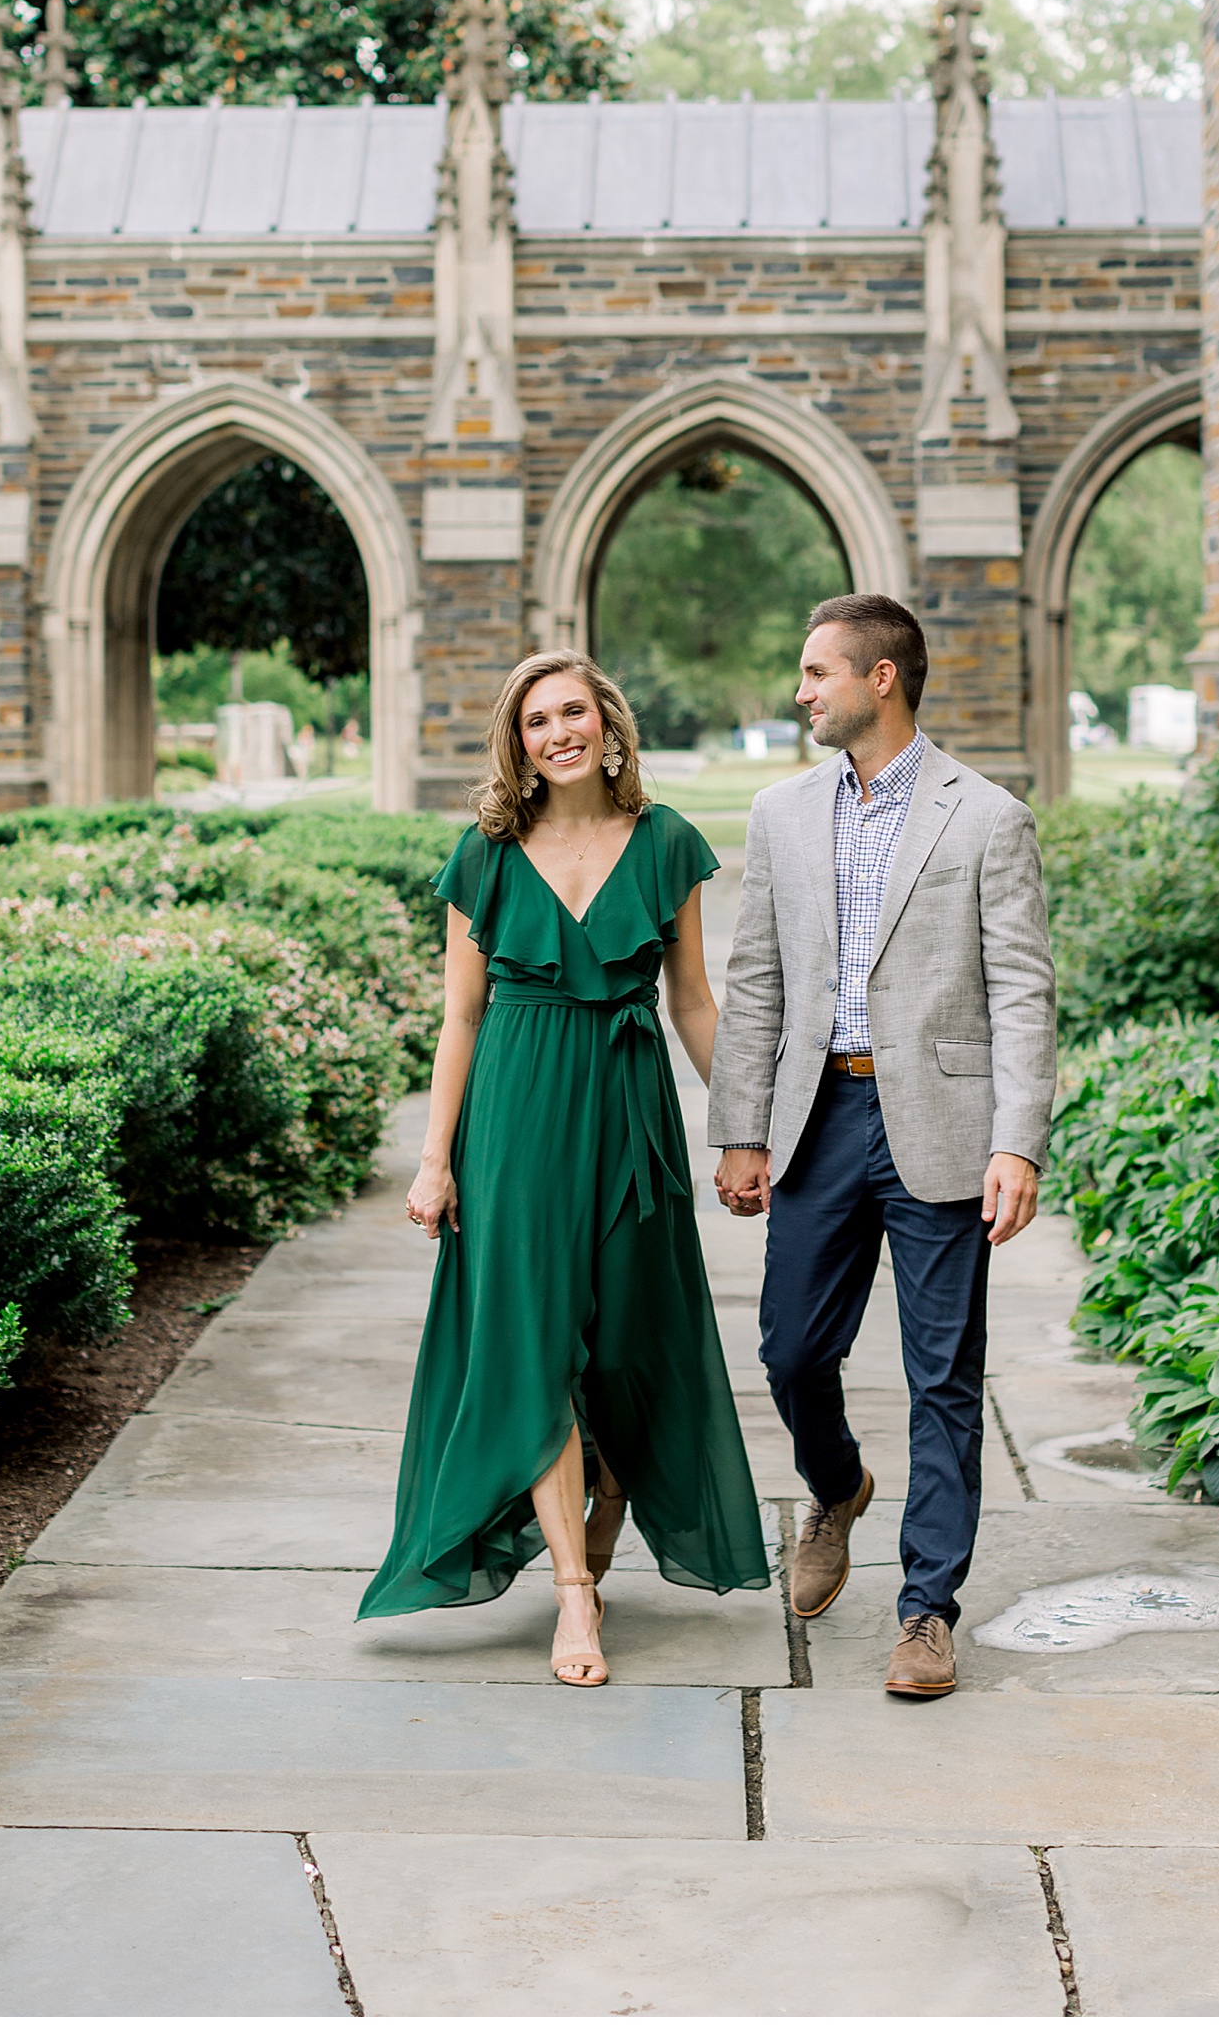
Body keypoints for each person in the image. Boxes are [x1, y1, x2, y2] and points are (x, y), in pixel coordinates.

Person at [357, 650, 770, 1685]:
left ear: (607, 721)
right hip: (517, 1120)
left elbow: (691, 1001)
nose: (558, 732)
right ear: (518, 740)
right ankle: (574, 1599)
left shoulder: (667, 840)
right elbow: (461, 1014)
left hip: (631, 1116)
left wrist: (746, 1127)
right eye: (537, 719)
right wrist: (435, 1159)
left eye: (573, 711)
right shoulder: (486, 853)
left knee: (633, 1343)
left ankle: (611, 1502)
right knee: (536, 1343)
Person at [708, 593, 1056, 1699]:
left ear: (881, 679)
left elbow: (1022, 991)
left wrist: (1020, 1141)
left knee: (942, 1375)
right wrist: (741, 1126)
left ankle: (927, 1611)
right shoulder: (780, 813)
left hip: (943, 1127)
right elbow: (755, 980)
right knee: (790, 1353)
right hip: (818, 1121)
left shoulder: (986, 817)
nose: (801, 690)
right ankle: (839, 1484)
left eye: (817, 672)